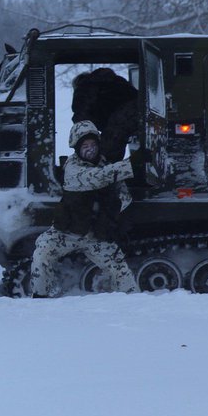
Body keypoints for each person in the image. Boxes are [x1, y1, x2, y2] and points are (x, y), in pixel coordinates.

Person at [28, 121, 138, 297]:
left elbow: (124, 197)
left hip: (95, 236)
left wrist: (110, 209)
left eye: (93, 145)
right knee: (41, 255)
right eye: (85, 146)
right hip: (66, 234)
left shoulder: (106, 165)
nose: (90, 150)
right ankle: (40, 298)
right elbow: (97, 178)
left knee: (120, 270)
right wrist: (134, 164)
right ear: (77, 148)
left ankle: (134, 304)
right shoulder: (73, 168)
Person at [72, 67, 138, 161]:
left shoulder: (84, 87)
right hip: (140, 110)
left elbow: (80, 115)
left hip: (123, 114)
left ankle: (106, 172)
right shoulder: (112, 81)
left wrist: (84, 139)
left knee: (106, 153)